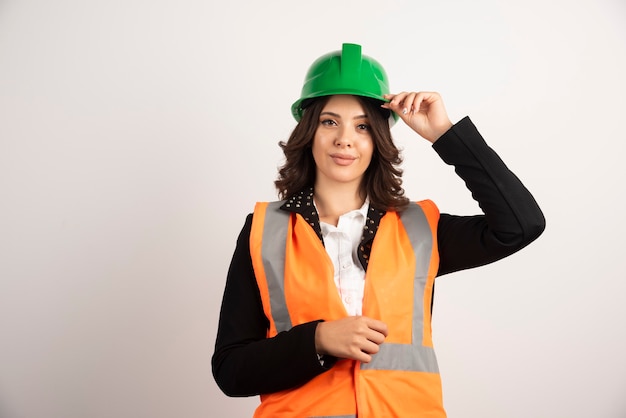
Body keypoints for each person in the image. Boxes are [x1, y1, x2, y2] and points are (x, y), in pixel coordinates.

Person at [212, 43, 545, 418]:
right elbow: (230, 370)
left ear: (379, 138)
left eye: (363, 126)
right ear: (309, 130)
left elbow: (521, 225)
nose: (345, 139)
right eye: (329, 121)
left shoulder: (420, 229)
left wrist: (446, 135)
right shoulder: (263, 230)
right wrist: (318, 340)